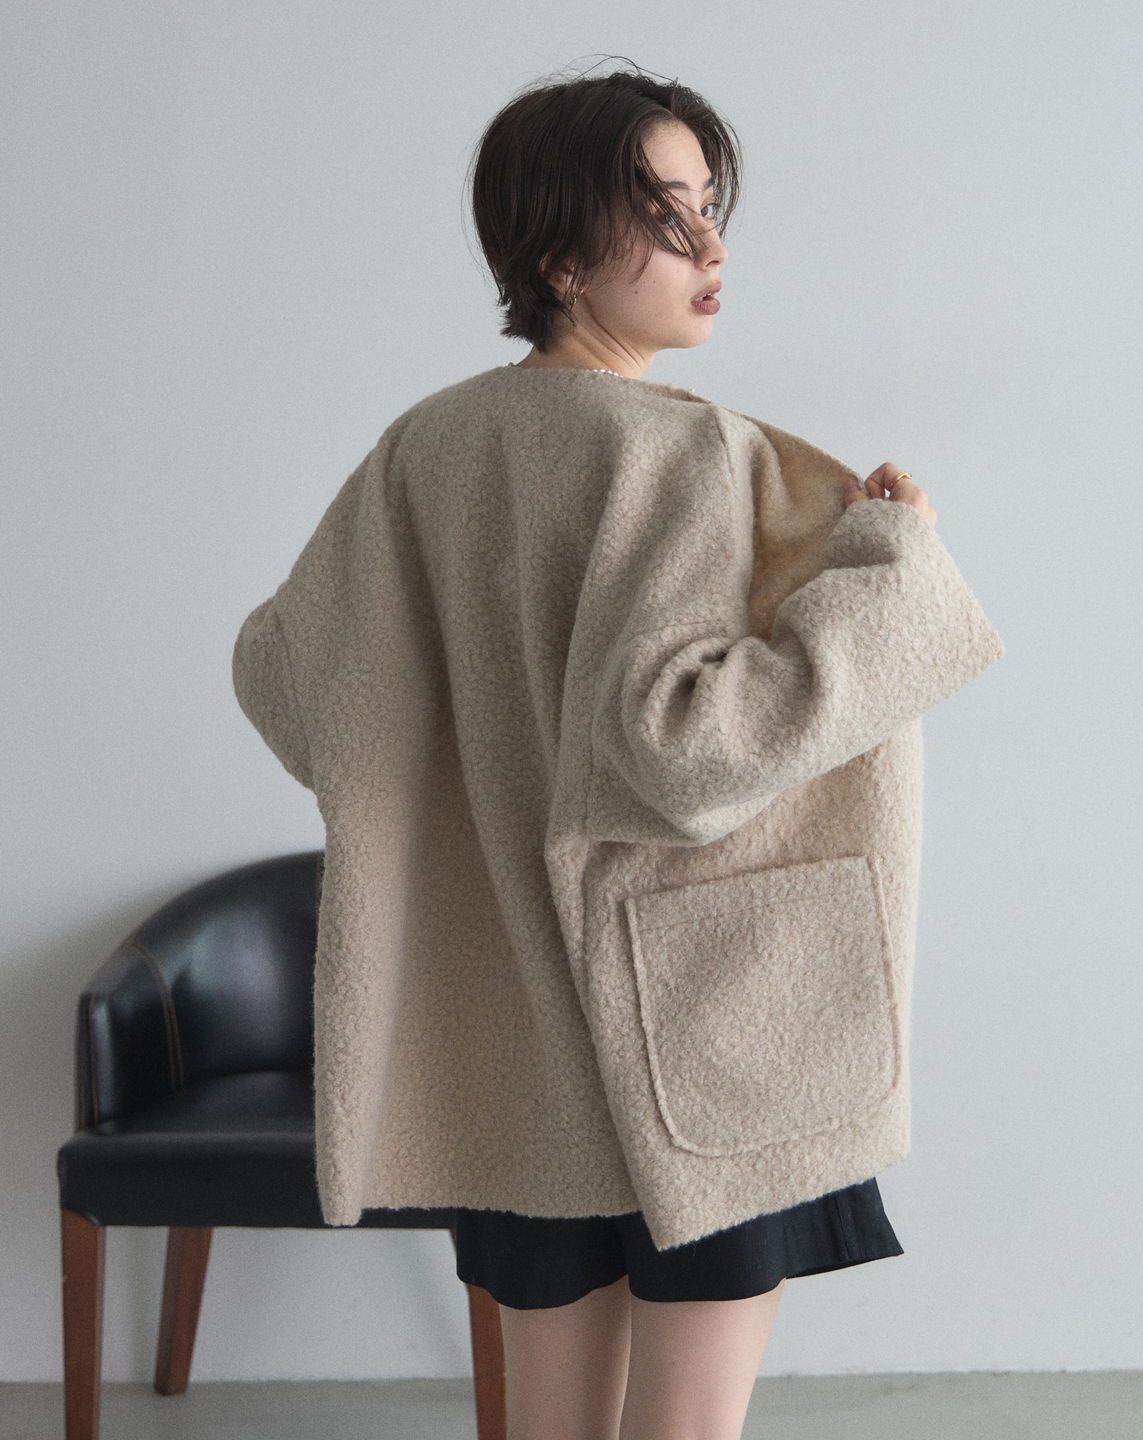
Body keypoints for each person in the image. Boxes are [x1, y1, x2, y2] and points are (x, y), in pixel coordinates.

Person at [232, 60, 1003, 1440]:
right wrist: (887, 573)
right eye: (663, 215)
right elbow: (686, 751)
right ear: (556, 257)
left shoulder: (424, 452)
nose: (711, 248)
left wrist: (455, 764)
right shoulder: (681, 453)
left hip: (511, 1045)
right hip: (700, 1025)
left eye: (711, 207)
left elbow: (288, 678)